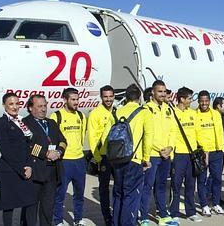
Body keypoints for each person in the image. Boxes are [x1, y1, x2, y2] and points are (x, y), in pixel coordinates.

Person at [112, 84, 153, 226]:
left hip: (117, 158)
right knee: (132, 196)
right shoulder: (144, 112)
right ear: (139, 97)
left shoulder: (117, 111)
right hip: (134, 159)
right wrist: (146, 159)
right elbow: (148, 137)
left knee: (118, 194)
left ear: (127, 96)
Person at [23, 94, 66, 226]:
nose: (43, 109)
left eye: (45, 106)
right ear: (30, 108)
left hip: (52, 172)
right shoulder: (25, 123)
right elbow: (27, 145)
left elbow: (63, 141)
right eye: (39, 106)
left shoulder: (51, 123)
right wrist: (45, 153)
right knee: (30, 210)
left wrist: (58, 152)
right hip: (35, 172)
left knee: (47, 209)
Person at [0, 92, 37, 226]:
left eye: (17, 103)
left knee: (30, 202)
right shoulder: (1, 123)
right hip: (10, 170)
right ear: (4, 105)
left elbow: (29, 145)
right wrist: (21, 169)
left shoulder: (22, 121)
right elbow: (5, 151)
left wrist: (29, 165)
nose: (14, 107)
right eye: (10, 104)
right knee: (9, 204)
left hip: (26, 167)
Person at [139, 80, 175, 226]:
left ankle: (162, 214)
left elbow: (173, 130)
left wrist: (170, 147)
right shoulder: (145, 109)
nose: (162, 94)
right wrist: (160, 148)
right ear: (152, 92)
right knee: (147, 186)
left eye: (164, 91)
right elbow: (145, 134)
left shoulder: (168, 109)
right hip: (152, 154)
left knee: (161, 186)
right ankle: (144, 216)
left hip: (166, 154)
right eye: (159, 91)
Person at [53, 88, 87, 226]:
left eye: (77, 99)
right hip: (64, 161)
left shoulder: (81, 116)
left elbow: (82, 136)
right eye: (73, 99)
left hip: (79, 160)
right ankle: (58, 221)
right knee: (60, 194)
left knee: (79, 194)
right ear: (65, 100)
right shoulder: (56, 117)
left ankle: (78, 219)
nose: (76, 102)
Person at [169, 87, 202, 222]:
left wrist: (202, 149)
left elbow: (198, 132)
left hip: (191, 155)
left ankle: (191, 212)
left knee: (190, 184)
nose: (191, 100)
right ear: (182, 99)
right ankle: (174, 213)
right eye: (189, 98)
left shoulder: (193, 113)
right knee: (176, 185)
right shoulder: (172, 113)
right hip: (178, 155)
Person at [87, 85, 117, 226]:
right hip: (104, 158)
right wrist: (98, 159)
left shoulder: (118, 111)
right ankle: (107, 218)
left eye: (110, 96)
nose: (108, 99)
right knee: (104, 189)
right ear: (101, 97)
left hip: (118, 157)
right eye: (105, 96)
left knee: (119, 187)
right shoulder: (95, 114)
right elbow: (92, 138)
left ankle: (117, 215)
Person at [195, 90, 224, 217]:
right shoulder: (195, 115)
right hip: (203, 152)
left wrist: (222, 148)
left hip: (217, 151)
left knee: (217, 178)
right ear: (198, 101)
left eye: (206, 101)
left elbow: (220, 132)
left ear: (209, 101)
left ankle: (216, 203)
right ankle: (204, 205)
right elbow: (196, 133)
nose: (204, 103)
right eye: (202, 101)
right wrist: (204, 150)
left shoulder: (216, 114)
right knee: (202, 180)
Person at [211, 97, 224, 206]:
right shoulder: (214, 117)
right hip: (216, 150)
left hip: (222, 149)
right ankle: (211, 197)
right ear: (218, 106)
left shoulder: (223, 117)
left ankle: (217, 197)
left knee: (217, 176)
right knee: (214, 176)